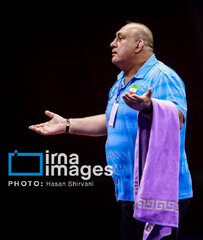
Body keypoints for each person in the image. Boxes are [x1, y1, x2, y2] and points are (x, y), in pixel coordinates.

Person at [29, 22, 193, 239]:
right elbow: (111, 121)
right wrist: (67, 124)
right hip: (129, 191)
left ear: (138, 45)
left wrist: (150, 106)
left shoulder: (162, 76)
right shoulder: (119, 84)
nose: (112, 43)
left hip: (159, 191)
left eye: (120, 38)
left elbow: (177, 118)